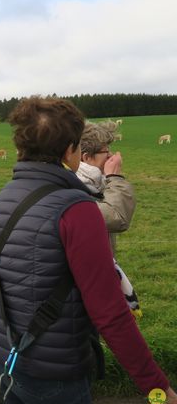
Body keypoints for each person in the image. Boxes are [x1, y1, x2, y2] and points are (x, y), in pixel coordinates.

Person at [0, 97, 176, 404]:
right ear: (70, 151)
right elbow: (110, 314)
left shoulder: (5, 195)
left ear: (20, 147)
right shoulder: (78, 210)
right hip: (50, 371)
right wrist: (158, 392)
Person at [77, 121, 141, 318]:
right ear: (86, 157)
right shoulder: (75, 188)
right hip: (81, 289)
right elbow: (117, 217)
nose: (112, 156)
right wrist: (115, 176)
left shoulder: (93, 184)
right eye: (106, 151)